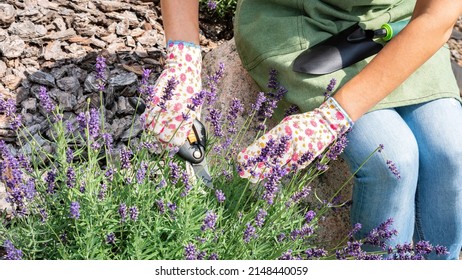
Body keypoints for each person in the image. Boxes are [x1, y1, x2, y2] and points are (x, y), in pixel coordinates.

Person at [142, 0, 462, 259]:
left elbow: (438, 14)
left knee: (452, 152)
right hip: (297, 23)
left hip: (401, 23)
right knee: (392, 161)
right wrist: (183, 57)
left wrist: (331, 119)